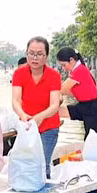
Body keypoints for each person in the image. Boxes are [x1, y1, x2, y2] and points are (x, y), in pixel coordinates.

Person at [12, 36, 61, 176]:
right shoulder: (19, 74)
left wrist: (40, 117)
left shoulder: (54, 75)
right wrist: (22, 115)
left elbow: (55, 105)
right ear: (26, 54)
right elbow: (15, 100)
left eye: (40, 54)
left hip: (48, 127)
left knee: (42, 164)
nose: (35, 58)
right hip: (27, 126)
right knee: (26, 163)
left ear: (46, 56)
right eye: (31, 53)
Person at [56, 47, 97, 138]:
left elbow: (62, 89)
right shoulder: (77, 70)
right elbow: (66, 91)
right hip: (84, 106)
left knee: (90, 141)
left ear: (71, 60)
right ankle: (53, 124)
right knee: (56, 111)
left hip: (94, 109)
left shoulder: (79, 70)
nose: (63, 68)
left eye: (64, 65)